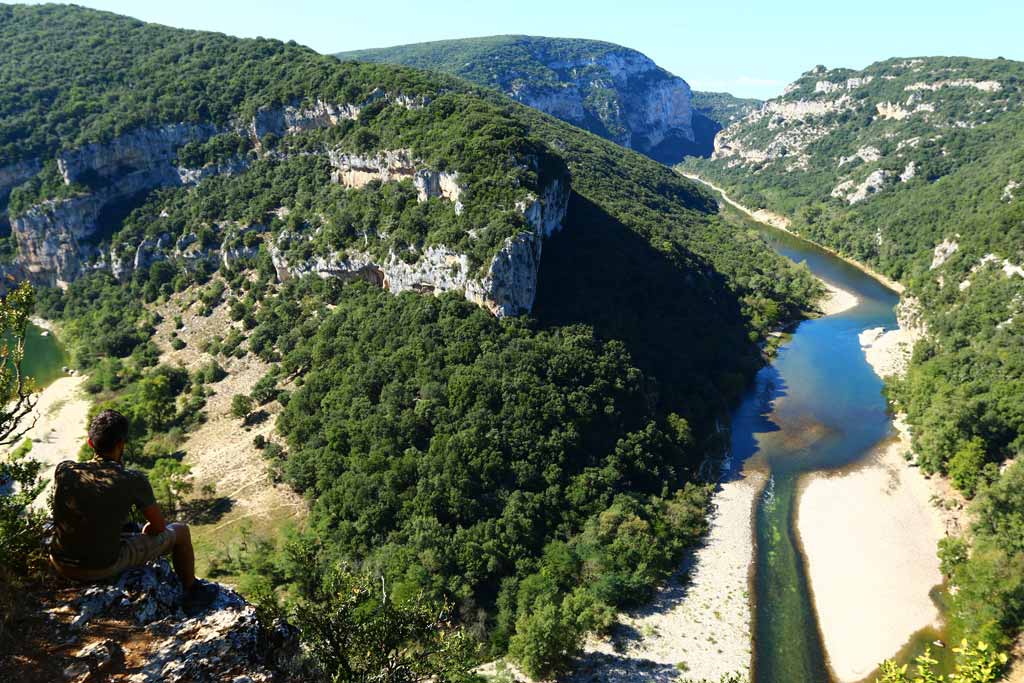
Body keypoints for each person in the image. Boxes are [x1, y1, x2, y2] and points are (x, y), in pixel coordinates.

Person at [49, 409, 215, 612]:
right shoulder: (132, 479)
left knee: (125, 526)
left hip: (60, 561)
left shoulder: (65, 469)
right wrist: (148, 530)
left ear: (90, 443)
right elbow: (159, 526)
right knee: (180, 531)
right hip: (99, 568)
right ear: (121, 445)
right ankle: (192, 591)